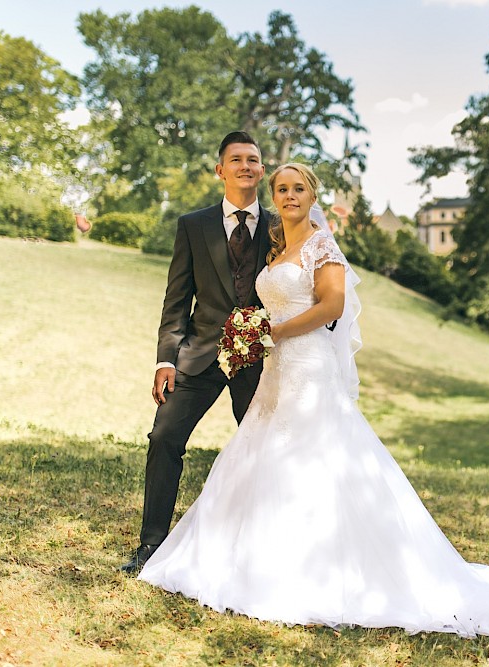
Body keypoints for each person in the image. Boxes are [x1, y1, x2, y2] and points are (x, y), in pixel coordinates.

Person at [138, 163, 489, 637]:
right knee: (260, 454)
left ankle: (319, 571)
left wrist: (271, 332)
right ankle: (252, 558)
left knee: (309, 458)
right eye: (281, 189)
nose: (288, 196)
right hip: (276, 369)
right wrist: (255, 335)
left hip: (307, 365)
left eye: (298, 189)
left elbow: (332, 306)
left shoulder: (322, 245)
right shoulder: (277, 246)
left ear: (312, 195)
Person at [120, 131, 275, 574]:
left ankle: (259, 549)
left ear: (262, 171)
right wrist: (166, 358)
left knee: (265, 452)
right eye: (237, 159)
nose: (246, 166)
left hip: (260, 360)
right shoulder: (194, 225)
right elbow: (177, 297)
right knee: (164, 438)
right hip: (200, 354)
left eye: (254, 160)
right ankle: (151, 546)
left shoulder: (281, 225)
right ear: (219, 170)